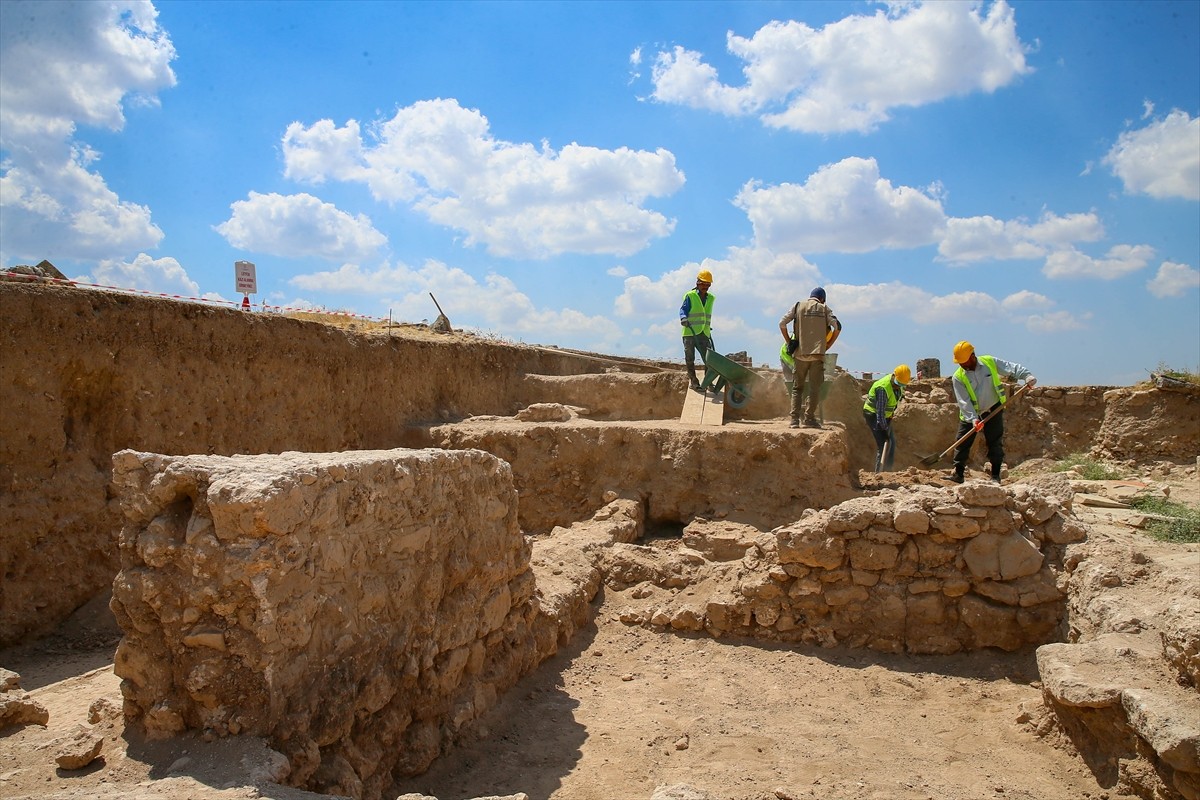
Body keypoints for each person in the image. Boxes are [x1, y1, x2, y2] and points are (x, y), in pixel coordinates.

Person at [949, 340, 1036, 484]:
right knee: (962, 442)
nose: (962, 365)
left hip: (993, 408)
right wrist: (973, 419)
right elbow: (963, 401)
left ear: (972, 356)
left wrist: (1026, 376)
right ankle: (958, 474)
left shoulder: (989, 362)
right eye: (959, 362)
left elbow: (1010, 368)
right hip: (971, 414)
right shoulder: (958, 377)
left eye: (964, 361)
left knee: (995, 442)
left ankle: (995, 475)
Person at [779, 287, 841, 428]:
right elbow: (837, 327)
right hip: (817, 355)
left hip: (800, 355)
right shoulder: (824, 308)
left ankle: (794, 421)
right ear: (822, 299)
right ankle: (809, 419)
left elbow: (781, 323)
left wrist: (790, 342)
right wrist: (828, 345)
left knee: (797, 388)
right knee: (815, 389)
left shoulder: (798, 306)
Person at [863, 365, 911, 472]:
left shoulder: (900, 383)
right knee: (884, 443)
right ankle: (879, 473)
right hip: (873, 414)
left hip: (886, 416)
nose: (899, 386)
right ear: (894, 376)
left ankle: (887, 471)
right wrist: (884, 428)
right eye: (898, 384)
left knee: (891, 443)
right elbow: (880, 412)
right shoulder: (882, 388)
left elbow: (894, 400)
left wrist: (891, 415)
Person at [680, 270, 715, 392]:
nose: (706, 287)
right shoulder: (690, 296)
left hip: (704, 333)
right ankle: (694, 382)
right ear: (698, 283)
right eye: (704, 284)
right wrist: (683, 318)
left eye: (708, 285)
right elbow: (683, 310)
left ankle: (708, 381)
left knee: (709, 359)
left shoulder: (711, 298)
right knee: (690, 359)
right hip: (690, 332)